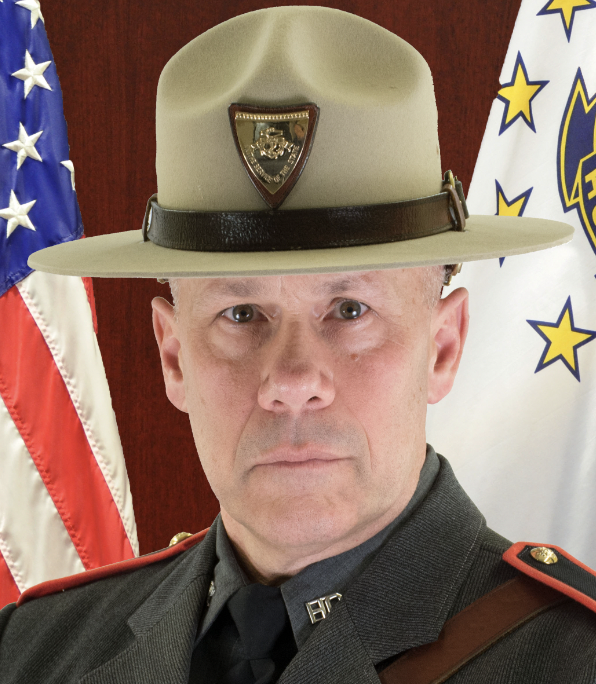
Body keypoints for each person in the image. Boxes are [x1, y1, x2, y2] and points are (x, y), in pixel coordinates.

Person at [1, 6, 595, 683]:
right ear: (173, 356)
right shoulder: (33, 654)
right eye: (241, 313)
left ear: (443, 347)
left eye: (350, 310)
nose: (291, 381)